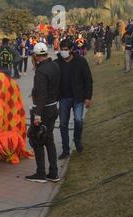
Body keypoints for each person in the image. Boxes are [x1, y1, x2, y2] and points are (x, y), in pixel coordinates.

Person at [26, 42, 61, 183]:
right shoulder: (55, 65)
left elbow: (41, 95)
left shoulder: (41, 71)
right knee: (49, 140)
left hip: (43, 110)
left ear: (36, 55)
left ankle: (40, 173)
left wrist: (37, 115)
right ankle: (54, 173)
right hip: (53, 107)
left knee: (36, 140)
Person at [55, 39, 93, 160]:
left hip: (78, 97)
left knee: (78, 120)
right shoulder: (57, 63)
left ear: (71, 50)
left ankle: (77, 141)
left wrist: (88, 97)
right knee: (62, 124)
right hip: (63, 98)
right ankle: (66, 149)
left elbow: (88, 80)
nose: (63, 52)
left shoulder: (81, 61)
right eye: (61, 49)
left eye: (65, 50)